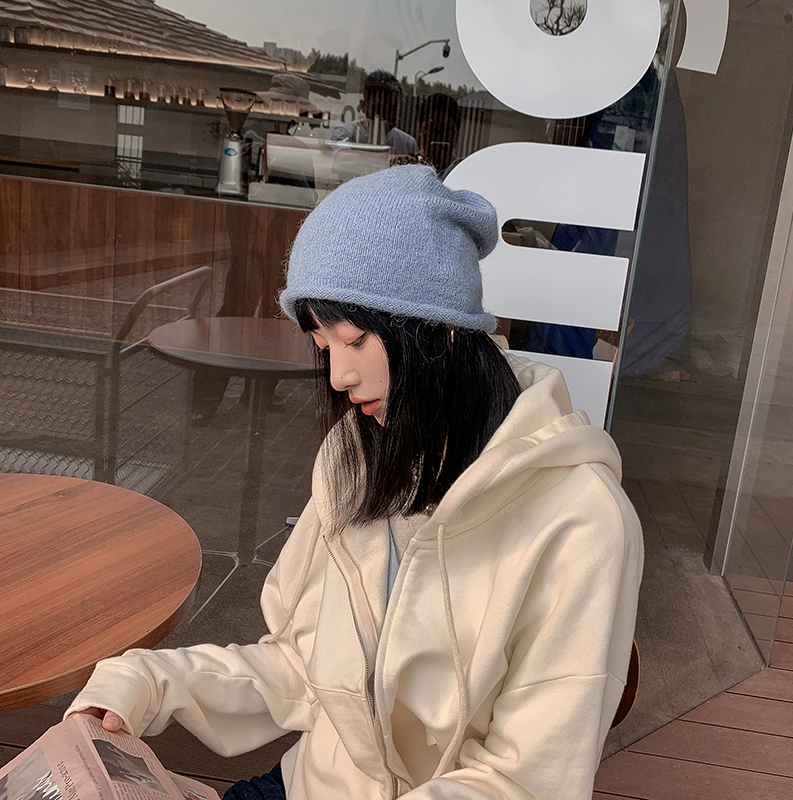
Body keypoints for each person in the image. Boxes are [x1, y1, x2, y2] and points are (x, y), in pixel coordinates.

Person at [66, 165, 643, 800]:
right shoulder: (358, 460)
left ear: (443, 329)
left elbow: (524, 781)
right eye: (324, 346)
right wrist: (145, 684)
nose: (338, 376)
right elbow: (302, 665)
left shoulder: (582, 520)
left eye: (356, 340)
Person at [331, 70, 419, 155]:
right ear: (363, 106)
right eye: (378, 108)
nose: (384, 116)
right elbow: (341, 155)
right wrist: (387, 158)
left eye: (392, 108)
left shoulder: (408, 144)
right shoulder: (345, 132)